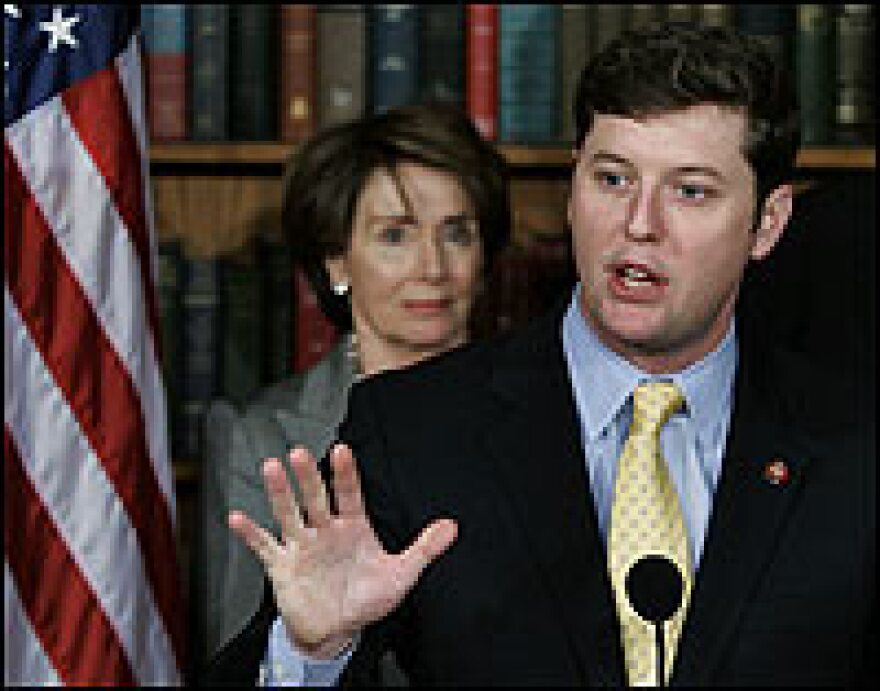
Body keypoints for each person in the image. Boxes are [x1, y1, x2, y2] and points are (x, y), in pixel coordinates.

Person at [217, 22, 874, 686]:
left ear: (768, 222)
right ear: (573, 188)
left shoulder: (855, 442)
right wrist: (312, 652)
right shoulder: (413, 429)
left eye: (691, 191)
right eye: (613, 179)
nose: (640, 223)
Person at [194, 103, 510, 680]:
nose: (433, 267)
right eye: (395, 236)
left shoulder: (543, 413)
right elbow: (242, 665)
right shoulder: (259, 436)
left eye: (457, 234)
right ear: (337, 257)